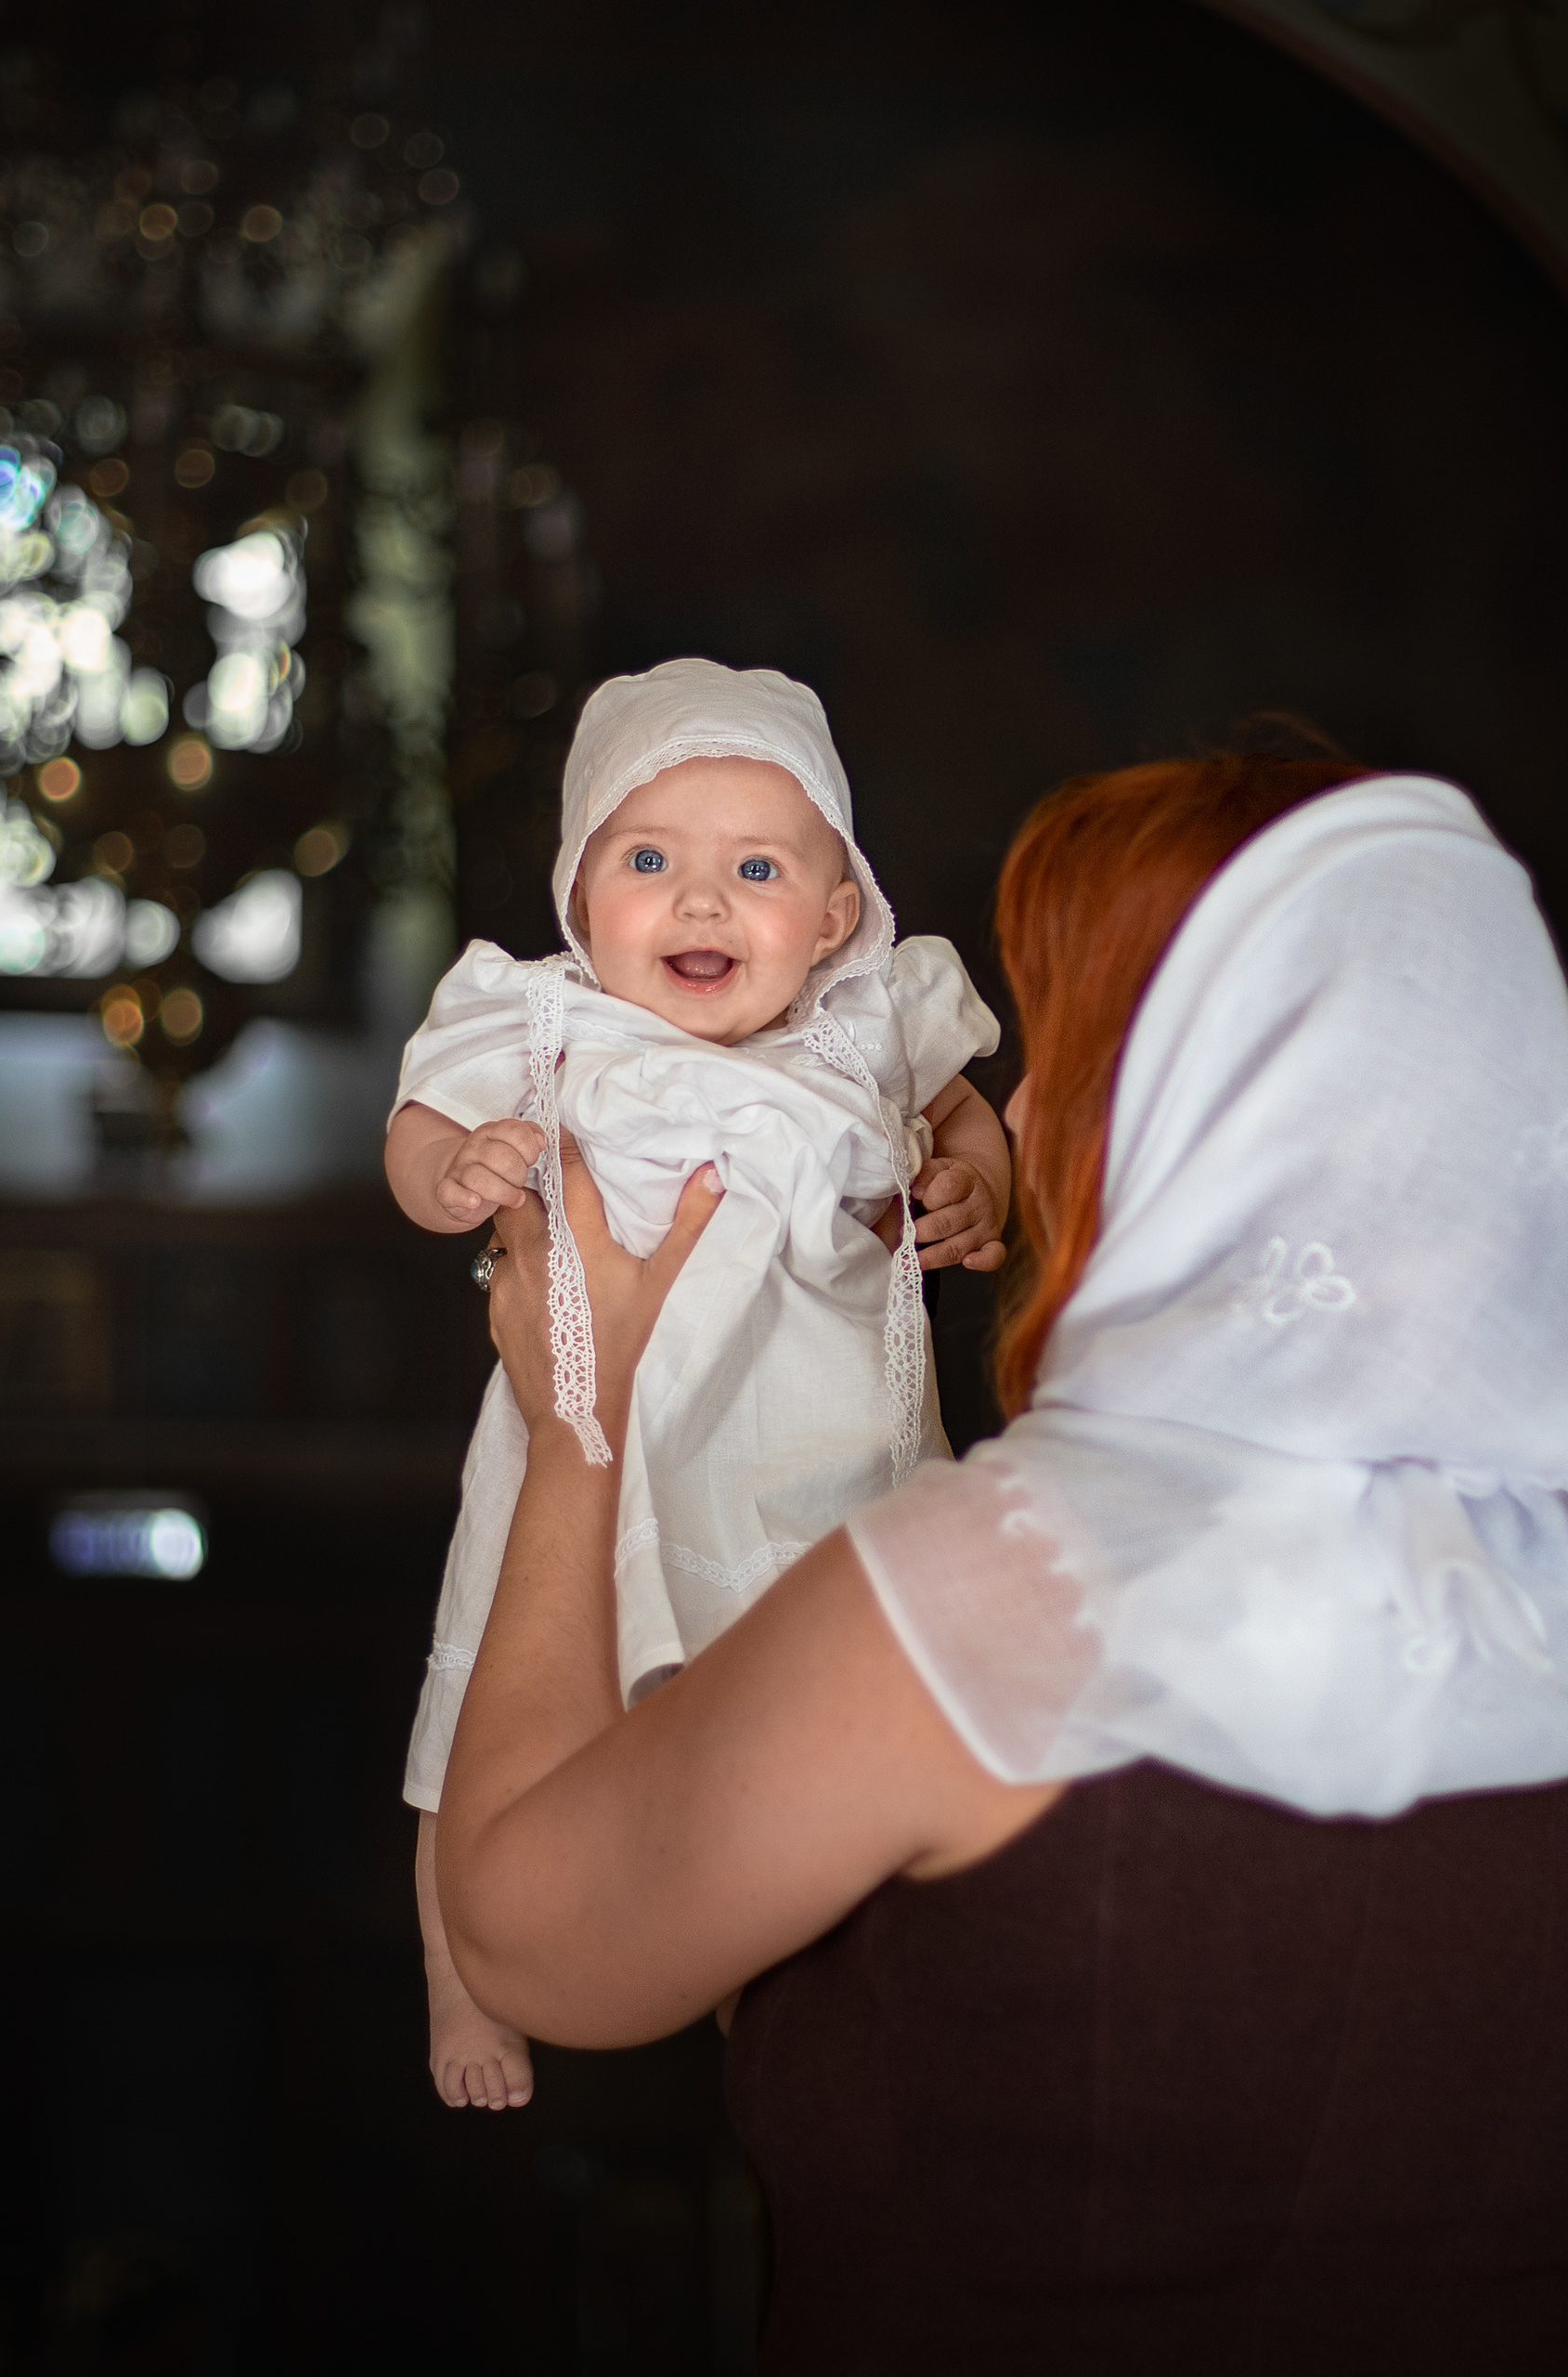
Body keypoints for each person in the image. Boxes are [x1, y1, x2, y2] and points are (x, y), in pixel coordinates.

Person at [436, 753, 1568, 2371]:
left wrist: (582, 1426)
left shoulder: (1009, 1585)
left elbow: (528, 1937)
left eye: (1069, 1045)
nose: (1020, 1110)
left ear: (1191, 1098)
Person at [384, 659, 1012, 2109]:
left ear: (838, 914)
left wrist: (976, 1181)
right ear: (578, 897)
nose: (702, 902)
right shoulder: (542, 1023)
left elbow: (971, 1114)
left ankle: (760, 1962)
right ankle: (459, 1965)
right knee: (496, 1681)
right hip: (599, 1422)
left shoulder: (876, 1023)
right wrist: (449, 1173)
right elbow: (419, 1123)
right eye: (649, 860)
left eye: (758, 867)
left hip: (818, 1439)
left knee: (786, 1720)